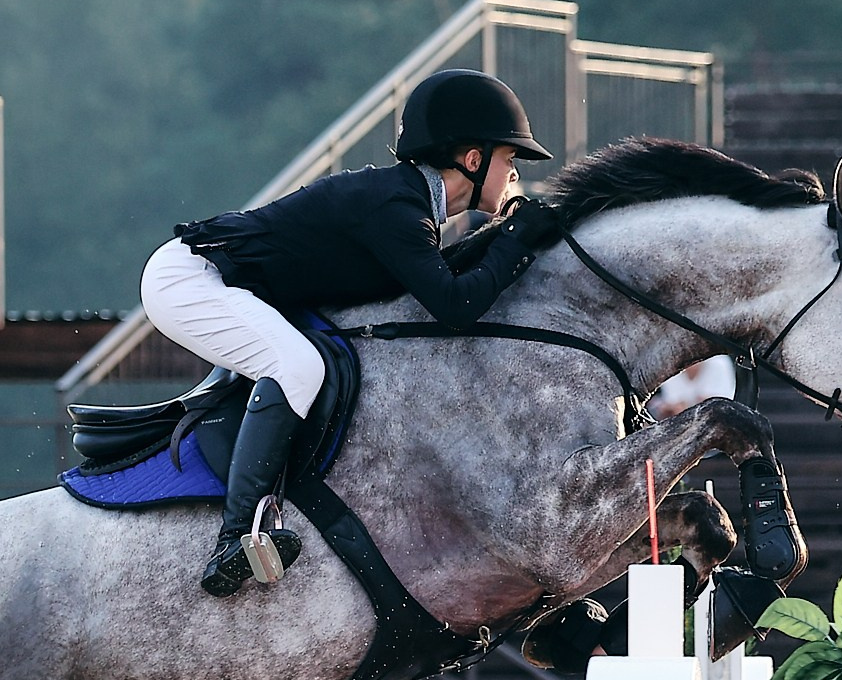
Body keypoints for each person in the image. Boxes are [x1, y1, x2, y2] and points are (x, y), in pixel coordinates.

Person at [142, 69, 563, 595]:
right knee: (298, 366)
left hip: (224, 284)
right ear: (473, 160)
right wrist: (516, 238)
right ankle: (237, 537)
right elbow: (456, 306)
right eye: (510, 158)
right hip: (189, 280)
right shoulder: (397, 208)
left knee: (306, 362)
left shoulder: (408, 204)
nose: (515, 173)